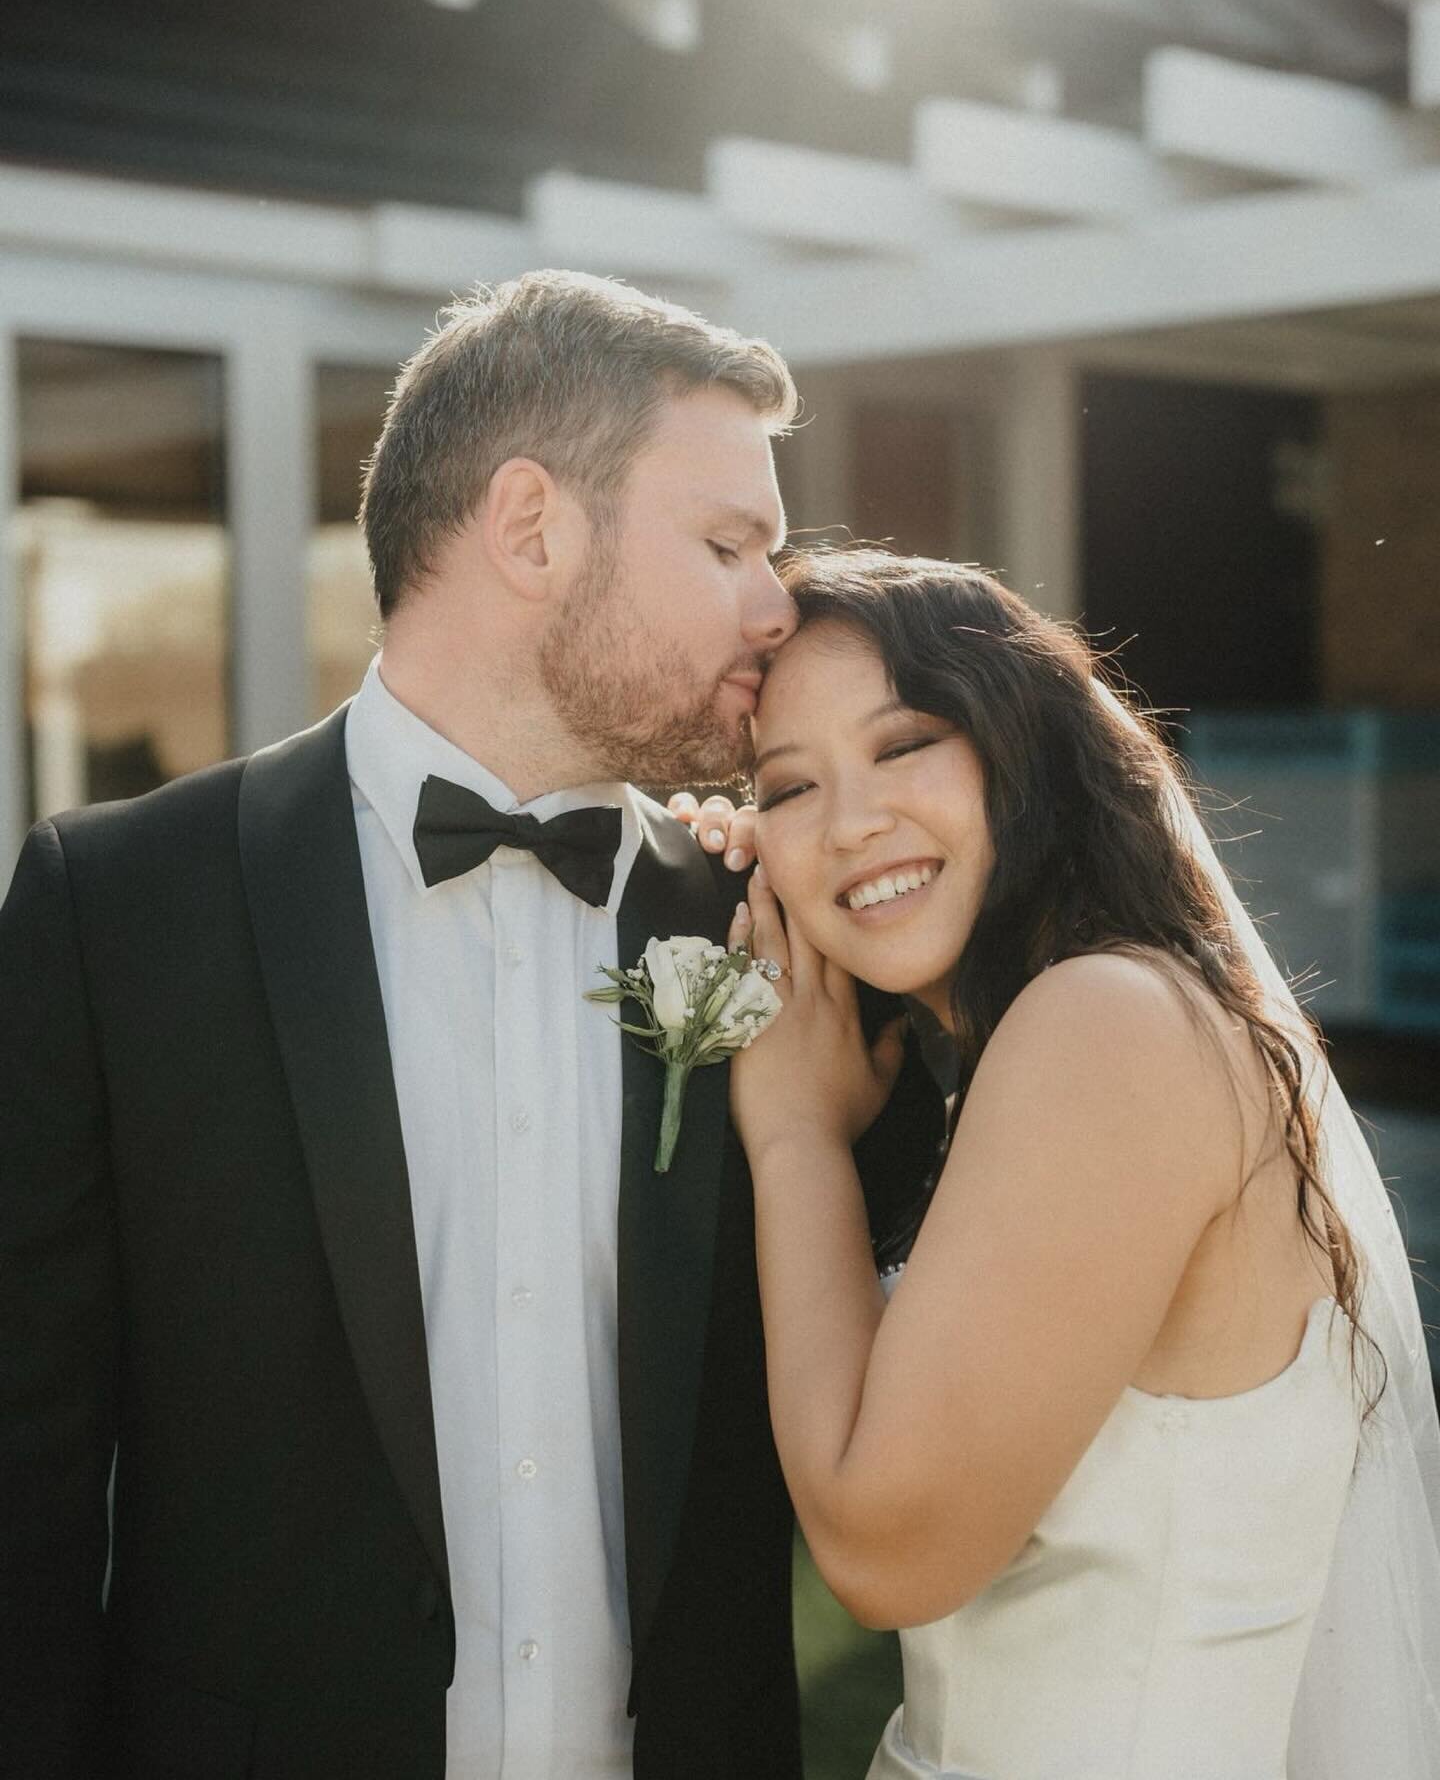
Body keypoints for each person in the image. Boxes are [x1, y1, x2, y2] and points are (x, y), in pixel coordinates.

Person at [0, 272, 944, 1780]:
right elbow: (24, 1493)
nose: (781, 601)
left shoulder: (773, 922)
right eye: (727, 545)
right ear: (529, 527)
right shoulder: (116, 913)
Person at [713, 547, 1440, 1779]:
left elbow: (887, 1553)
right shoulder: (1084, 1028)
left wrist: (792, 1135)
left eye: (903, 746)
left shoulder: (1103, 1028)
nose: (848, 824)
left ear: (1022, 747)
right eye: (786, 791)